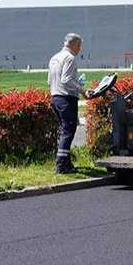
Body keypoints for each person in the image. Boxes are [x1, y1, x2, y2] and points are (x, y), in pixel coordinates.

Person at [48, 33, 90, 174]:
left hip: (55, 96)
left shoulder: (54, 58)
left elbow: (50, 81)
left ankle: (66, 162)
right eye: (80, 46)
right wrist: (82, 89)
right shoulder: (70, 58)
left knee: (64, 130)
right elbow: (66, 79)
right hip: (66, 98)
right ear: (75, 44)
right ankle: (61, 165)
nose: (80, 49)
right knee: (68, 131)